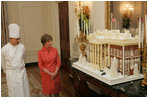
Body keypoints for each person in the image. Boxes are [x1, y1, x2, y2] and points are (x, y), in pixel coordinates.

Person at [1, 23, 30, 97]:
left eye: (19, 38)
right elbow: (2, 62)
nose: (19, 41)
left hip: (22, 72)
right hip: (11, 74)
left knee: (25, 91)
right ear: (11, 38)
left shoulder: (22, 47)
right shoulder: (4, 49)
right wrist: (7, 72)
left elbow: (24, 57)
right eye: (17, 39)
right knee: (14, 93)